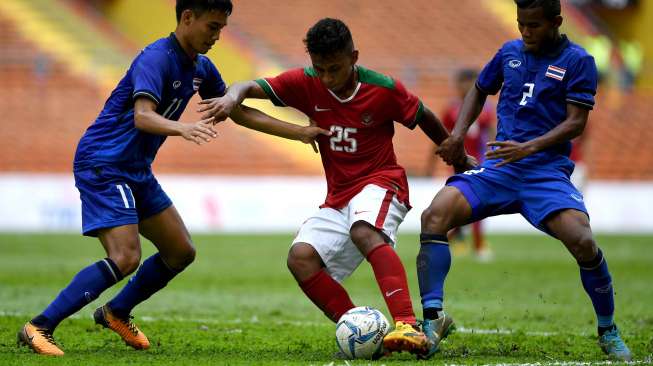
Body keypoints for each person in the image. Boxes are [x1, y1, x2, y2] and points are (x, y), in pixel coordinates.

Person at [17, 0, 328, 356]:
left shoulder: (201, 67)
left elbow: (238, 112)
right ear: (187, 18)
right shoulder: (156, 58)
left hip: (134, 169)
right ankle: (39, 326)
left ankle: (116, 312)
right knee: (125, 256)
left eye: (222, 29)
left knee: (180, 251)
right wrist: (184, 128)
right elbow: (143, 116)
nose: (217, 36)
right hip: (103, 163)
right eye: (212, 27)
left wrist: (298, 132)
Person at [199, 18, 474, 358]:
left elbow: (423, 115)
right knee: (300, 259)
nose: (327, 78)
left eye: (335, 69)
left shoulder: (383, 88)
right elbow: (246, 87)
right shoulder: (306, 81)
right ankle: (364, 333)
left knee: (363, 230)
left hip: (382, 182)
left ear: (353, 57)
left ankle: (407, 324)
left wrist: (456, 155)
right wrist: (230, 99)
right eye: (320, 69)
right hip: (339, 196)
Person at [417, 0, 632, 361]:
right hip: (500, 167)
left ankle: (608, 329)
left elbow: (576, 122)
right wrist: (457, 134)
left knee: (582, 241)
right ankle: (433, 320)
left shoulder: (579, 61)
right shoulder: (510, 51)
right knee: (434, 215)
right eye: (521, 24)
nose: (525, 32)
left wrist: (528, 148)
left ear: (557, 22)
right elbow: (479, 89)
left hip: (545, 171)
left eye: (533, 25)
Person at [426, 68, 495, 261]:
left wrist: (492, 158)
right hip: (458, 164)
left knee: (477, 203)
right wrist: (431, 164)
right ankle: (462, 240)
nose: (465, 87)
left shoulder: (487, 108)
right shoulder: (452, 109)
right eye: (463, 83)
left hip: (480, 163)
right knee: (460, 203)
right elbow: (440, 136)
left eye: (470, 82)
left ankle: (475, 244)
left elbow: (491, 133)